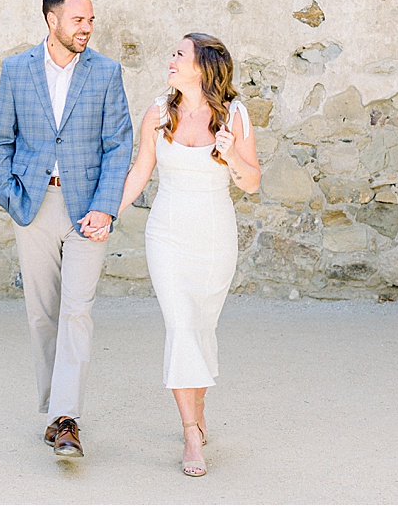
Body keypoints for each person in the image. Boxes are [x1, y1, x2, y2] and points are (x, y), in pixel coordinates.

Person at [0, 0, 134, 459]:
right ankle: (55, 413)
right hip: (34, 206)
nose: (87, 27)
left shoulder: (107, 73)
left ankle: (67, 419)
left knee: (77, 311)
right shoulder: (16, 70)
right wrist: (10, 195)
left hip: (88, 208)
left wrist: (106, 206)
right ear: (52, 21)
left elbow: (119, 145)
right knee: (42, 314)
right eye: (78, 19)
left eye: (90, 19)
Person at [113, 33, 261, 477]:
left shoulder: (234, 115)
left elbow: (251, 182)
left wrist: (232, 152)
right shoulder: (158, 113)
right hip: (168, 235)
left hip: (215, 236)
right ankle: (191, 431)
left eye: (179, 54)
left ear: (203, 66)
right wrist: (107, 214)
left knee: (201, 326)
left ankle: (197, 409)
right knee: (180, 325)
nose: (171, 60)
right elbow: (141, 170)